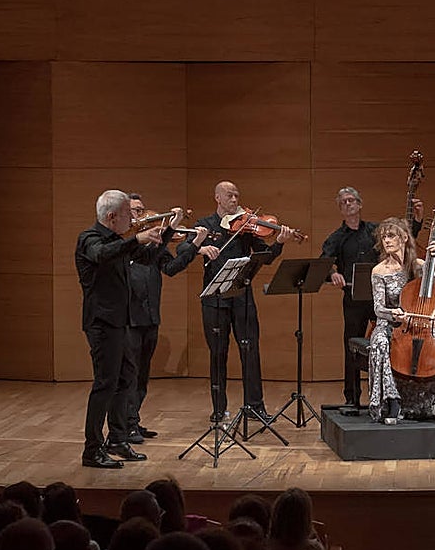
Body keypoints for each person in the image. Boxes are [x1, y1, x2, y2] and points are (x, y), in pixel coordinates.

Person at [75, 189, 177, 469]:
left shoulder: (118, 241)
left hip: (120, 323)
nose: (132, 220)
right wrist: (135, 239)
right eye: (126, 215)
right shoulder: (91, 240)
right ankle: (92, 449)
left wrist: (167, 232)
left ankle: (117, 439)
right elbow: (102, 255)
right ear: (111, 216)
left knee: (124, 381)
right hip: (102, 324)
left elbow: (146, 259)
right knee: (105, 385)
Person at [195, 180, 293, 423]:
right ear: (217, 197)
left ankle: (255, 406)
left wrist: (278, 242)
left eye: (237, 195)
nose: (235, 200)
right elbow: (186, 247)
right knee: (218, 353)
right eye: (230, 195)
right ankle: (219, 409)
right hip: (214, 300)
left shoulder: (246, 228)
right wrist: (200, 249)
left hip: (242, 297)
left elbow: (266, 257)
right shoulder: (205, 226)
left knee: (250, 351)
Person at [319, 186, 421, 409]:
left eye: (352, 200)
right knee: (352, 346)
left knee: (389, 343)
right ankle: (352, 397)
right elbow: (325, 262)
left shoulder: (376, 231)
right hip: (354, 300)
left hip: (383, 298)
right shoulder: (336, 238)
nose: (348, 204)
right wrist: (333, 273)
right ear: (340, 209)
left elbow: (404, 237)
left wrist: (417, 220)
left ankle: (391, 393)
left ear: (360, 204)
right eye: (344, 202)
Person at [126, 193, 212, 444]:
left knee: (142, 376)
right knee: (129, 376)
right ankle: (125, 425)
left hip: (151, 317)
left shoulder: (154, 247)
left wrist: (195, 244)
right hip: (130, 319)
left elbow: (172, 269)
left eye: (142, 210)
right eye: (135, 211)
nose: (141, 215)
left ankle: (134, 421)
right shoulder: (126, 243)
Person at [367, 216, 435, 425]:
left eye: (391, 235)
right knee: (379, 343)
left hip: (424, 323)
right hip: (392, 324)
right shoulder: (379, 271)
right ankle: (392, 402)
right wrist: (394, 313)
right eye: (383, 236)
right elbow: (378, 308)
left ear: (404, 238)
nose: (386, 240)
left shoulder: (421, 266)